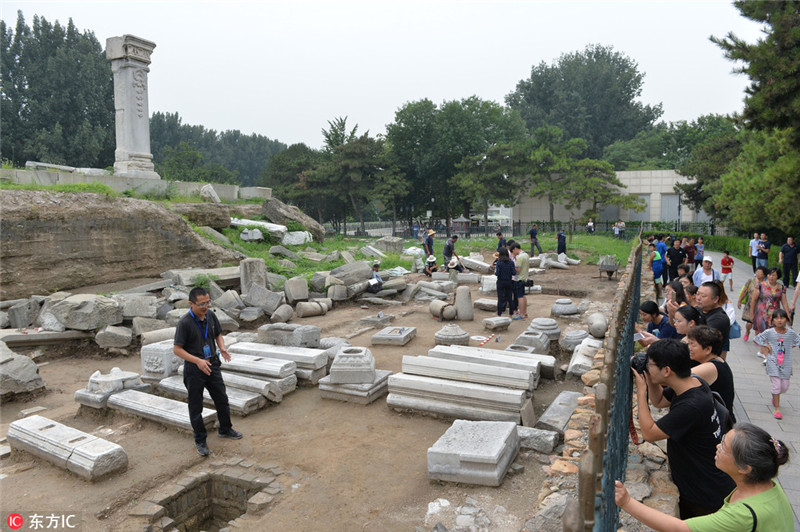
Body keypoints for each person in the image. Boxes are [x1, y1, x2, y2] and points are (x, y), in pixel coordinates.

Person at [615, 423, 792, 531]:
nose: (717, 447)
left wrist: (627, 502)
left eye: (724, 448)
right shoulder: (767, 486)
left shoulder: (743, 514)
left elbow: (680, 528)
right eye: (722, 440)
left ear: (745, 468)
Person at [634, 339, 736, 518]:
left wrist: (641, 391)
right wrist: (650, 378)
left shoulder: (692, 405)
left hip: (704, 492)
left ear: (667, 371)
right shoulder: (694, 383)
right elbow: (659, 401)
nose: (647, 367)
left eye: (650, 365)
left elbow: (649, 433)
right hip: (704, 480)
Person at [173, 287, 243, 456]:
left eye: (208, 302)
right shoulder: (184, 323)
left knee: (222, 398)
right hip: (194, 368)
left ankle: (225, 429)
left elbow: (218, 334)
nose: (206, 306)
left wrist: (222, 347)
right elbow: (177, 349)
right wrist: (197, 361)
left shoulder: (211, 315)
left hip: (212, 364)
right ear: (191, 304)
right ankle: (200, 439)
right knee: (196, 406)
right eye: (202, 304)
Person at [754, 309, 797, 420]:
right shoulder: (770, 332)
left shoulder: (790, 333)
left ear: (787, 320)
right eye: (776, 318)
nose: (779, 320)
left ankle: (775, 396)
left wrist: (789, 346)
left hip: (786, 363)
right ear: (772, 320)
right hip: (773, 362)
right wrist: (766, 346)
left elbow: (797, 340)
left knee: (784, 387)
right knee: (777, 385)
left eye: (782, 318)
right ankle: (777, 408)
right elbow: (757, 338)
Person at [687, 325, 735, 419]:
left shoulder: (710, 367)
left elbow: (678, 378)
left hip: (721, 422)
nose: (689, 348)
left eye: (693, 344)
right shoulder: (718, 360)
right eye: (689, 344)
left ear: (708, 349)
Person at [750, 267, 790, 335]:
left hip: (775, 315)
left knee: (774, 334)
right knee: (761, 334)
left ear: (778, 276)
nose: (771, 277)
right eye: (769, 274)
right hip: (761, 314)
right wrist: (752, 314)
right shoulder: (761, 286)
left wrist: (788, 315)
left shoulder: (781, 288)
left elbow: (784, 302)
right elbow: (753, 300)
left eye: (774, 275)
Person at [696, 281, 731, 359]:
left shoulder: (720, 319)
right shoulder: (698, 309)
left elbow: (700, 339)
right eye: (697, 294)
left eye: (703, 296)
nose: (698, 298)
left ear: (715, 299)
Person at [738, 266, 768, 342]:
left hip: (760, 306)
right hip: (750, 305)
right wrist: (739, 301)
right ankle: (747, 331)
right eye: (757, 272)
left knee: (758, 323)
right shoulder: (750, 281)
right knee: (749, 323)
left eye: (760, 273)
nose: (758, 274)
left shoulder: (766, 284)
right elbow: (744, 291)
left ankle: (757, 337)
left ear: (764, 275)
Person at [494, 248, 516, 317]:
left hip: (500, 281)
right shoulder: (511, 262)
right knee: (510, 298)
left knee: (500, 298)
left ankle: (499, 314)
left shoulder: (499, 263)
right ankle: (511, 314)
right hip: (509, 281)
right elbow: (514, 273)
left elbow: (497, 273)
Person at [510, 243, 529, 319]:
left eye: (513, 251)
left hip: (519, 279)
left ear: (515, 248)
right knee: (523, 296)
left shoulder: (520, 257)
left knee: (520, 297)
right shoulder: (526, 255)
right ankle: (524, 312)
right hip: (524, 277)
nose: (513, 253)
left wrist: (512, 268)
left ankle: (521, 314)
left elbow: (518, 270)